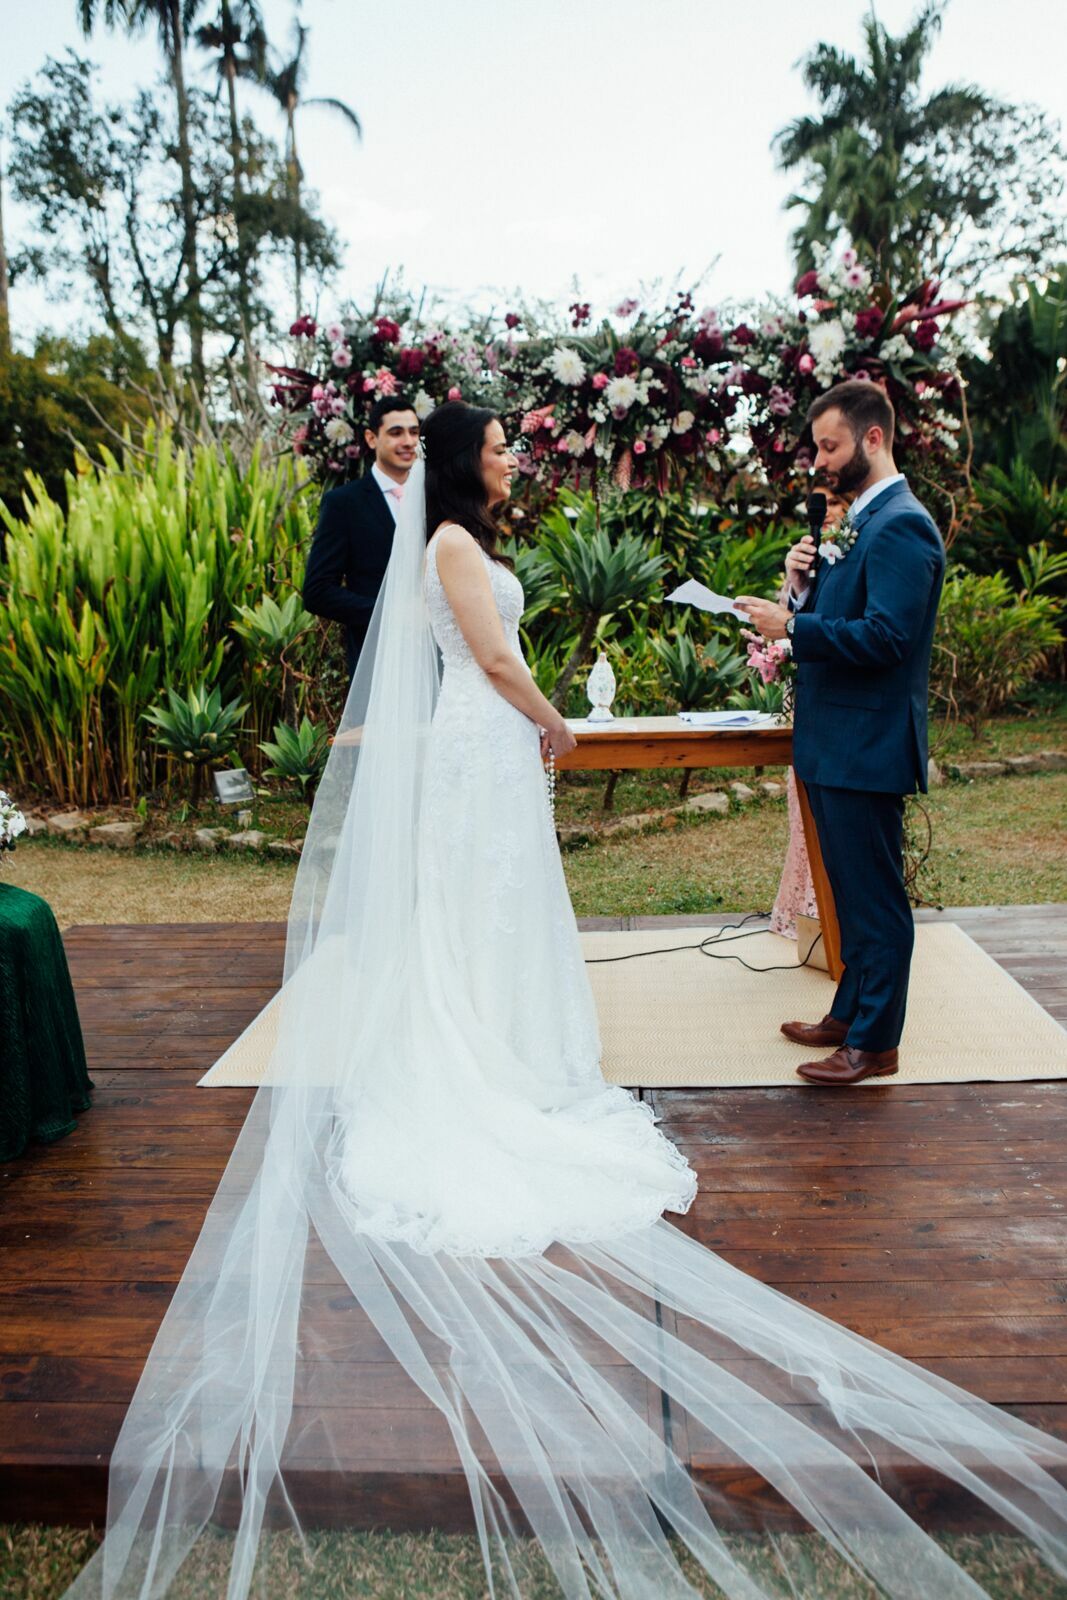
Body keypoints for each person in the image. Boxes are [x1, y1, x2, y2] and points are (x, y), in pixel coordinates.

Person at [64, 403, 1067, 1600]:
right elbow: (492, 660)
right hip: (481, 740)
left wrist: (600, 691)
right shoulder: (446, 542)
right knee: (479, 912)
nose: (511, 455)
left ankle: (828, 1027)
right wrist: (553, 720)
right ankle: (488, 1056)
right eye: (499, 444)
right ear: (462, 459)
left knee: (515, 910)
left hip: (510, 747)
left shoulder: (483, 537)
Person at [738, 380, 946, 1086]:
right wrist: (800, 592)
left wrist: (792, 627)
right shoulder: (862, 519)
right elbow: (846, 611)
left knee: (875, 899)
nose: (820, 461)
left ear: (872, 437)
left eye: (829, 446)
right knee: (850, 892)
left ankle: (876, 1044)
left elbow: (886, 637)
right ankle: (850, 1014)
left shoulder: (902, 524)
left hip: (867, 743)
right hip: (835, 741)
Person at [768, 485, 850, 940]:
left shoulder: (865, 549)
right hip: (810, 708)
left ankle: (835, 923)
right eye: (822, 506)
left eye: (835, 503)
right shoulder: (816, 556)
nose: (827, 513)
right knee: (802, 819)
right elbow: (794, 624)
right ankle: (805, 915)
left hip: (850, 716)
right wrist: (797, 585)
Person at [302, 393, 420, 679]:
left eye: (414, 432)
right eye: (396, 433)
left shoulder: (435, 498)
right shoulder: (344, 503)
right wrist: (388, 615)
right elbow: (317, 592)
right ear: (371, 438)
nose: (408, 441)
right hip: (378, 662)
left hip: (435, 660)